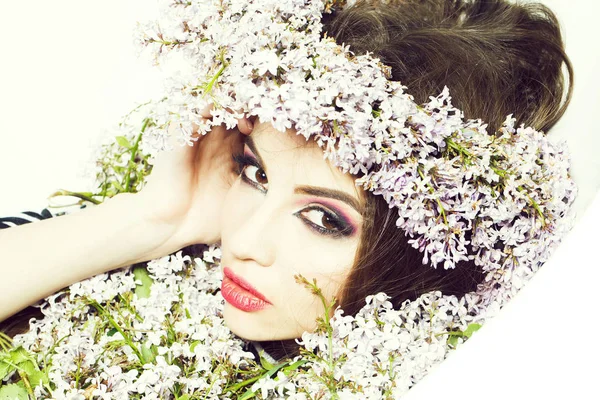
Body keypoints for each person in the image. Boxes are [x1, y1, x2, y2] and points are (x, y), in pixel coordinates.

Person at [0, 0, 573, 365]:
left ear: (422, 261)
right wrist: (150, 220)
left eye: (326, 218)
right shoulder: (115, 265)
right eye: (255, 173)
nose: (245, 241)